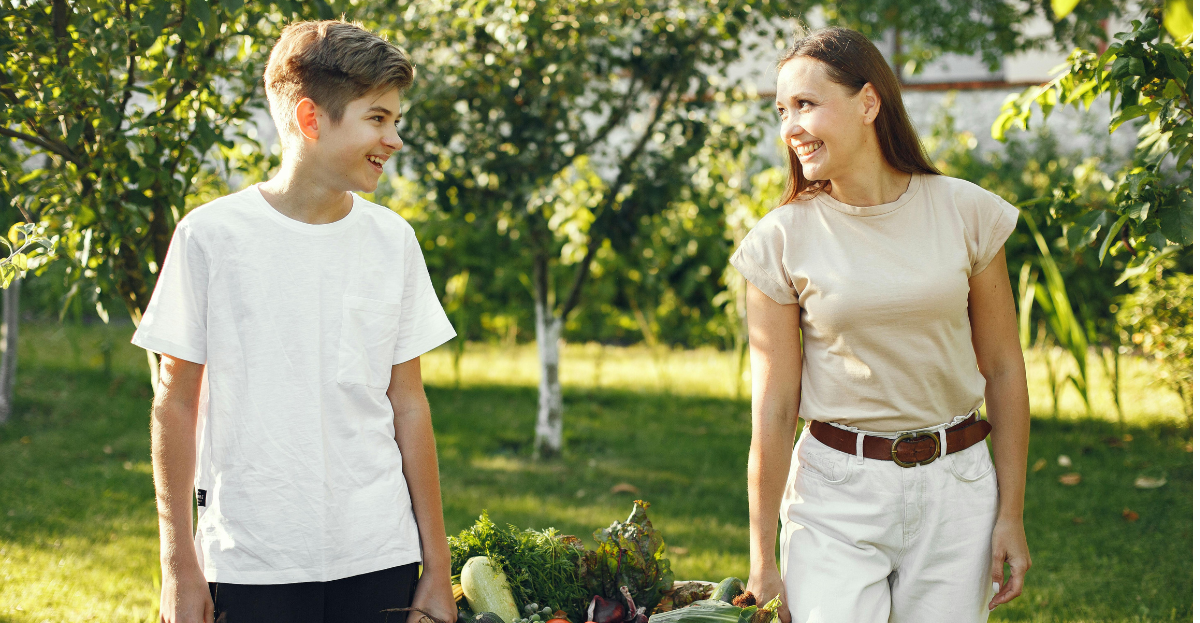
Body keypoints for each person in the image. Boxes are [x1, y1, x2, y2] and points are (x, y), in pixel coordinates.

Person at [133, 20, 459, 623]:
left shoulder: (393, 241)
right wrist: (179, 568)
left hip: (379, 555)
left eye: (396, 120)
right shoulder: (210, 238)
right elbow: (173, 403)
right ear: (311, 120)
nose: (394, 139)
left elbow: (409, 404)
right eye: (378, 118)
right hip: (253, 561)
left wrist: (436, 570)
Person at [733, 27, 1032, 622]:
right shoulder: (779, 240)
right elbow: (773, 405)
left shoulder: (967, 211)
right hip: (834, 495)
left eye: (806, 104)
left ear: (869, 103)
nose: (790, 126)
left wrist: (1010, 515)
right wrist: (762, 558)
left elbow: (1002, 368)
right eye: (782, 110)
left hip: (959, 491)